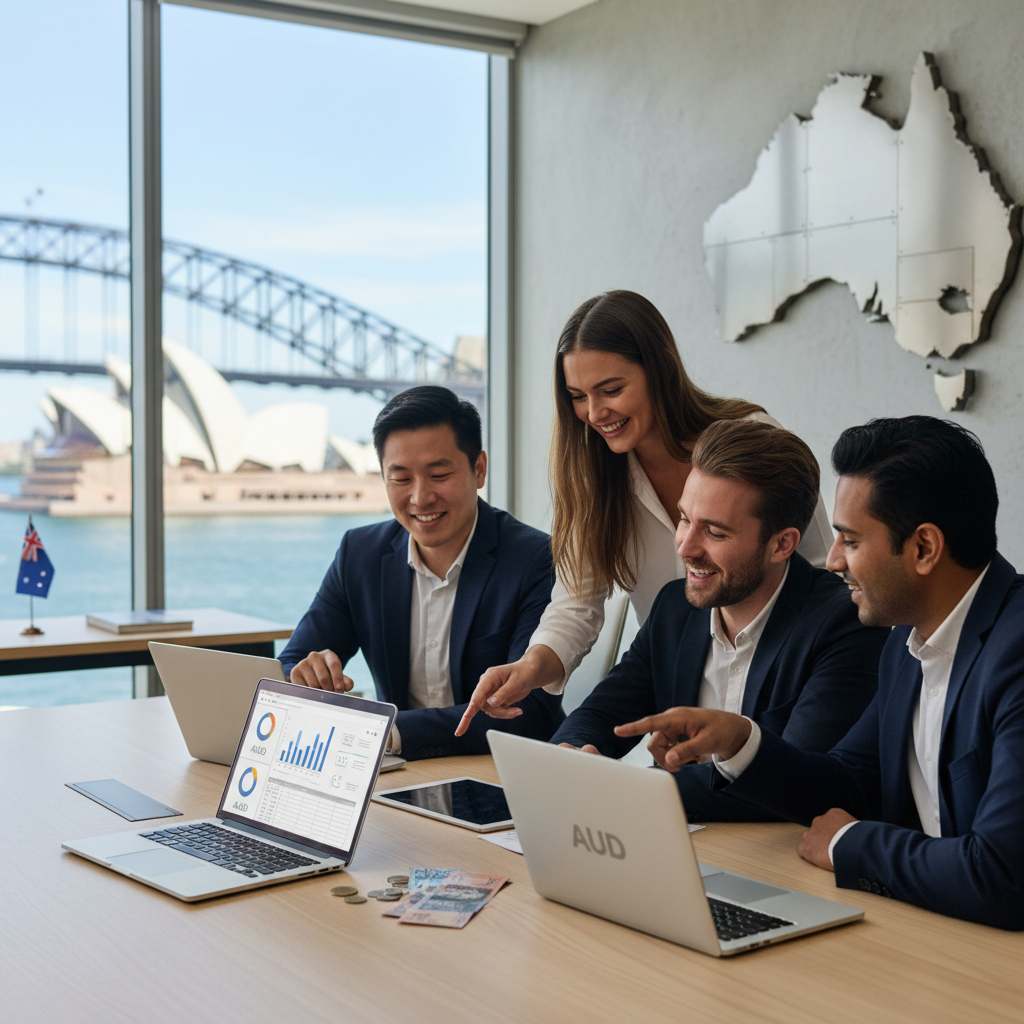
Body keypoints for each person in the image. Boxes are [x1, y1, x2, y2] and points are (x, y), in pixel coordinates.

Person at [615, 416, 1024, 929]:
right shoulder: (906, 640)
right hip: (925, 925)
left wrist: (852, 843)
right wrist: (742, 742)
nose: (831, 562)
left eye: (850, 541)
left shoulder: (1015, 651)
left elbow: (1004, 875)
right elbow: (846, 783)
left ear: (923, 548)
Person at [456, 289, 833, 737]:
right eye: (578, 396)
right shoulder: (595, 475)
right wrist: (529, 666)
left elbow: (820, 574)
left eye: (611, 390)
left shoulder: (751, 442)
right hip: (678, 696)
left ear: (660, 370)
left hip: (777, 695)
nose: (595, 414)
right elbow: (577, 601)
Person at [550, 419, 888, 820]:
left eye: (714, 532)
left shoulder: (844, 624)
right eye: (684, 519)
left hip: (776, 861)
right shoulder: (675, 608)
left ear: (782, 544)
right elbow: (603, 714)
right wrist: (574, 754)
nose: (686, 547)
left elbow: (794, 784)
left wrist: (623, 789)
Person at [280, 385, 563, 760]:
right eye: (400, 478)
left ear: (479, 469)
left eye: (438, 474)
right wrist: (306, 674)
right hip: (400, 778)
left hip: (500, 778)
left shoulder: (533, 559)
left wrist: (388, 733)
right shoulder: (360, 554)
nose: (419, 497)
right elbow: (290, 661)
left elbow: (529, 714)